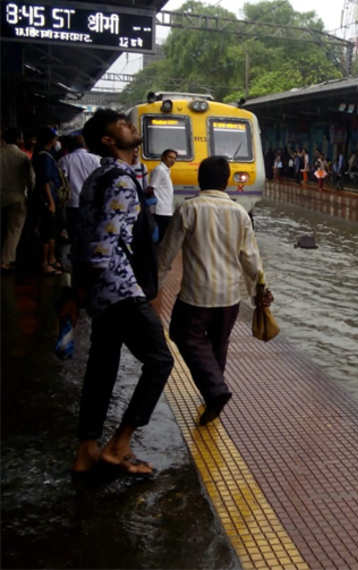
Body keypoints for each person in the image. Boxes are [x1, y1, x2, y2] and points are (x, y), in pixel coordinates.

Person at [71, 109, 173, 477]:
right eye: (122, 124)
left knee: (102, 367)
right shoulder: (120, 181)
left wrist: (80, 291)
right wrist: (119, 284)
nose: (131, 126)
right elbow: (102, 245)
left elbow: (81, 236)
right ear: (108, 140)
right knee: (161, 361)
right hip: (118, 288)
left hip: (101, 293)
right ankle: (119, 446)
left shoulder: (99, 177)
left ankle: (86, 451)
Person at [158, 156, 269, 425]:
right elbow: (251, 258)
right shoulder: (240, 213)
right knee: (219, 345)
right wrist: (260, 290)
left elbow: (166, 254)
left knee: (182, 334)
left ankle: (215, 391)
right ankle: (212, 396)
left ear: (200, 180)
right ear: (227, 181)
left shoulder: (189, 209)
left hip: (196, 295)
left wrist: (155, 284)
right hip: (230, 297)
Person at [32, 126, 68, 275]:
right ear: (51, 140)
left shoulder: (45, 155)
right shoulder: (45, 157)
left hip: (48, 199)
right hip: (48, 200)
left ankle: (51, 260)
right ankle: (45, 262)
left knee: (51, 232)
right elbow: (45, 181)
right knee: (47, 233)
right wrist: (51, 202)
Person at [1, 128, 34, 271]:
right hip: (17, 197)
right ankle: (5, 261)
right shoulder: (23, 157)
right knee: (13, 231)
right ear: (19, 139)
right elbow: (31, 180)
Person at [58, 134, 101, 242]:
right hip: (93, 203)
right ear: (85, 145)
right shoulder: (97, 159)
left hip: (73, 204)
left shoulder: (64, 160)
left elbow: (62, 182)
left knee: (75, 235)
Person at [149, 148, 177, 241]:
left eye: (174, 158)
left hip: (166, 210)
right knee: (161, 238)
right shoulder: (159, 170)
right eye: (170, 157)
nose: (172, 160)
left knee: (164, 238)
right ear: (163, 157)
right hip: (160, 210)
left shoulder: (166, 171)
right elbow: (151, 188)